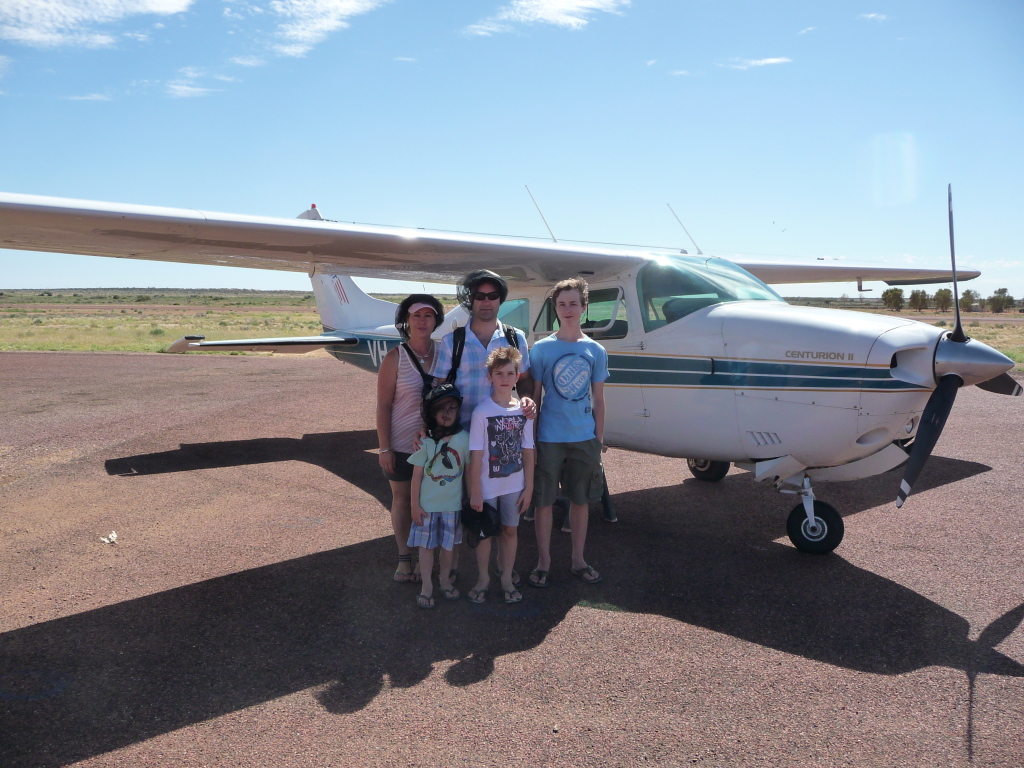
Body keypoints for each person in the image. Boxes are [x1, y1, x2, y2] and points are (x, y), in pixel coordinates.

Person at [432, 269, 536, 585]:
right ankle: (458, 569)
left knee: (496, 510)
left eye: (493, 296)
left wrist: (529, 401)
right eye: (479, 296)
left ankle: (501, 569)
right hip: (462, 438)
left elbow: (526, 380)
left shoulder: (516, 338)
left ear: (501, 300)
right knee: (461, 505)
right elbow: (437, 389)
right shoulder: (452, 341)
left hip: (501, 439)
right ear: (470, 301)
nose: (486, 302)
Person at [528, 278, 608, 587]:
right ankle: (543, 561)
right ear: (555, 309)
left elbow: (598, 399)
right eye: (562, 304)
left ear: (584, 307)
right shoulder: (543, 349)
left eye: (574, 303)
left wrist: (598, 439)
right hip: (549, 437)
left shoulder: (595, 350)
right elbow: (535, 398)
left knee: (581, 500)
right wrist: (531, 441)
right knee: (544, 502)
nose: (568, 309)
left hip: (584, 439)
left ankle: (578, 560)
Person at [376, 294, 445, 583]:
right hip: (403, 443)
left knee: (435, 501)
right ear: (406, 320)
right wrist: (384, 447)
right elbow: (384, 405)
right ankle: (405, 557)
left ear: (436, 321)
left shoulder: (445, 353)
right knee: (402, 499)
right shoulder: (395, 357)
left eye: (428, 316)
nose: (422, 321)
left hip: (438, 444)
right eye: (416, 315)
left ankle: (428, 558)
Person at [467, 347, 535, 604]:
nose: (504, 378)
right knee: (485, 534)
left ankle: (506, 577)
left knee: (509, 531)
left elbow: (528, 450)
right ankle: (483, 577)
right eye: (499, 373)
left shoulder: (524, 411)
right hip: (486, 486)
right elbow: (475, 454)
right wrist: (475, 489)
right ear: (490, 377)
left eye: (509, 373)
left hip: (514, 485)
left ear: (517, 376)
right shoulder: (481, 412)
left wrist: (529, 488)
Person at [407, 384, 470, 608]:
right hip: (426, 507)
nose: (447, 413)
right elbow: (416, 477)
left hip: (452, 506)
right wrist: (414, 505)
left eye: (452, 408)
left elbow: (469, 473)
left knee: (448, 547)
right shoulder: (425, 442)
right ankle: (426, 586)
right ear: (432, 413)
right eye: (442, 408)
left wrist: (471, 500)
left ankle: (444, 581)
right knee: (426, 548)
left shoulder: (464, 439)